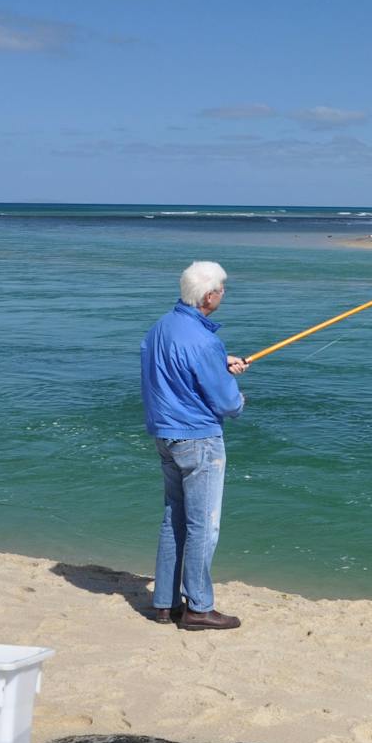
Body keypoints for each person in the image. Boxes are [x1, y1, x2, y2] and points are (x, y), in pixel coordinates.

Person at [139, 261, 249, 631]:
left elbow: (175, 368)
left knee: (175, 517)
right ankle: (199, 607)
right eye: (221, 289)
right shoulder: (203, 340)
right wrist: (236, 394)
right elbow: (227, 403)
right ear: (208, 296)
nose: (223, 294)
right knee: (204, 524)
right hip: (197, 439)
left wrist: (221, 362)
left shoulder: (161, 328)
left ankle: (165, 603)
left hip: (165, 435)